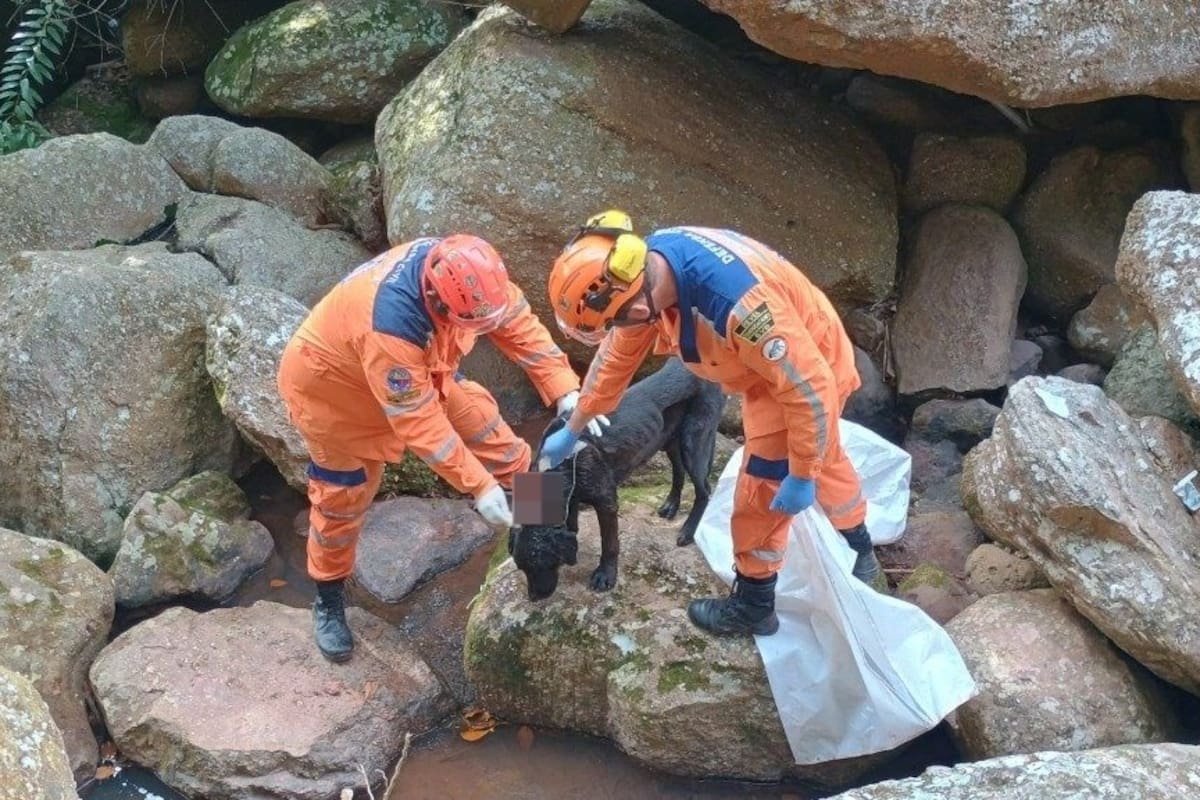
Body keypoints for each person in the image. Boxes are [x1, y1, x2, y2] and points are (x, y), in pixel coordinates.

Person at [540, 212, 881, 637]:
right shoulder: (644, 269)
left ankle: (755, 604)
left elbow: (809, 388)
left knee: (763, 487)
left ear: (639, 305)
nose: (617, 329)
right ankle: (861, 545)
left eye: (616, 321)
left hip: (806, 373)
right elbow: (614, 361)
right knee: (826, 456)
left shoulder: (739, 307)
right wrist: (576, 424)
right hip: (771, 367)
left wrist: (801, 470)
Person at [278, 234, 606, 662]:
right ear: (436, 300)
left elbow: (519, 326)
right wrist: (479, 486)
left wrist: (565, 391)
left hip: (423, 375)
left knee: (505, 447)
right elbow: (418, 422)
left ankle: (543, 541)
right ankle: (328, 597)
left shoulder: (474, 275)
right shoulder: (392, 325)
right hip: (334, 398)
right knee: (342, 499)